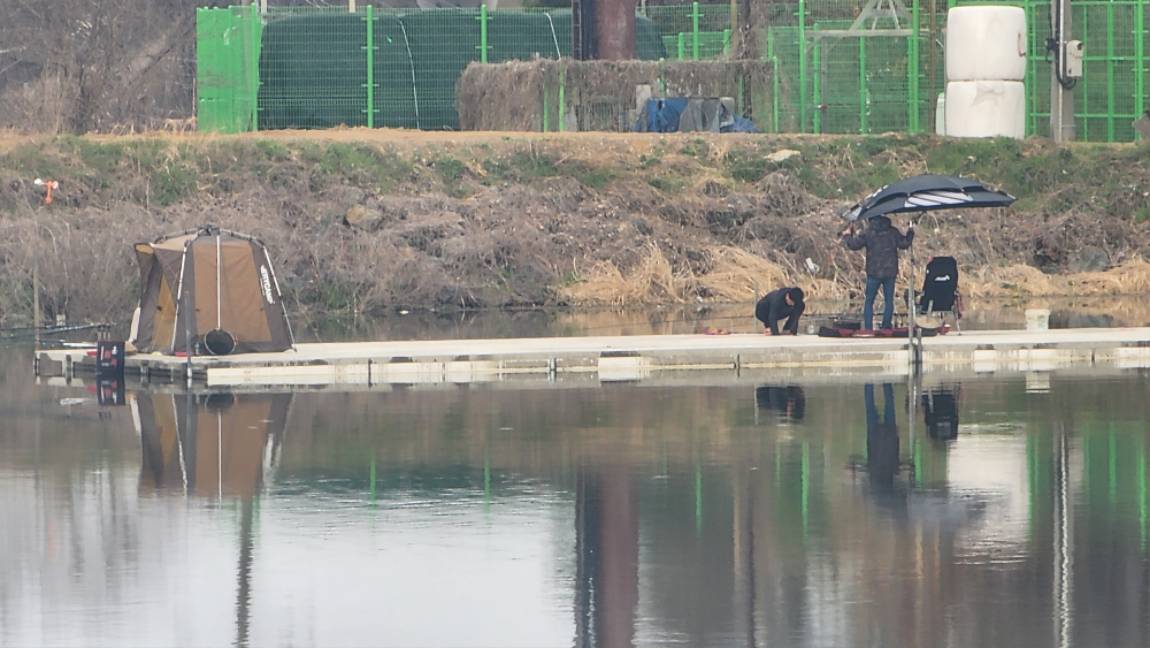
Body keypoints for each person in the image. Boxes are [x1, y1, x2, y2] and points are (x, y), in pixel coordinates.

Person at [843, 215, 914, 332]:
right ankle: (886, 327)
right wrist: (910, 232)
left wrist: (847, 235)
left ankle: (868, 329)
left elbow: (854, 245)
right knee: (889, 300)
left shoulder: (868, 233)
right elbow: (905, 243)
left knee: (869, 301)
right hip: (890, 272)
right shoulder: (892, 232)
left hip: (873, 272)